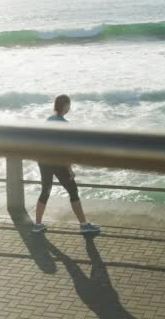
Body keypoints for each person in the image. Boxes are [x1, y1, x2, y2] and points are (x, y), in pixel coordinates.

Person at [33, 94, 100, 234]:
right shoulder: (64, 125)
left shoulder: (48, 120)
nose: (69, 107)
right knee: (73, 191)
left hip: (43, 160)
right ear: (65, 106)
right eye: (69, 105)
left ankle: (37, 224)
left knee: (45, 190)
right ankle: (84, 225)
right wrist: (69, 169)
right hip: (57, 161)